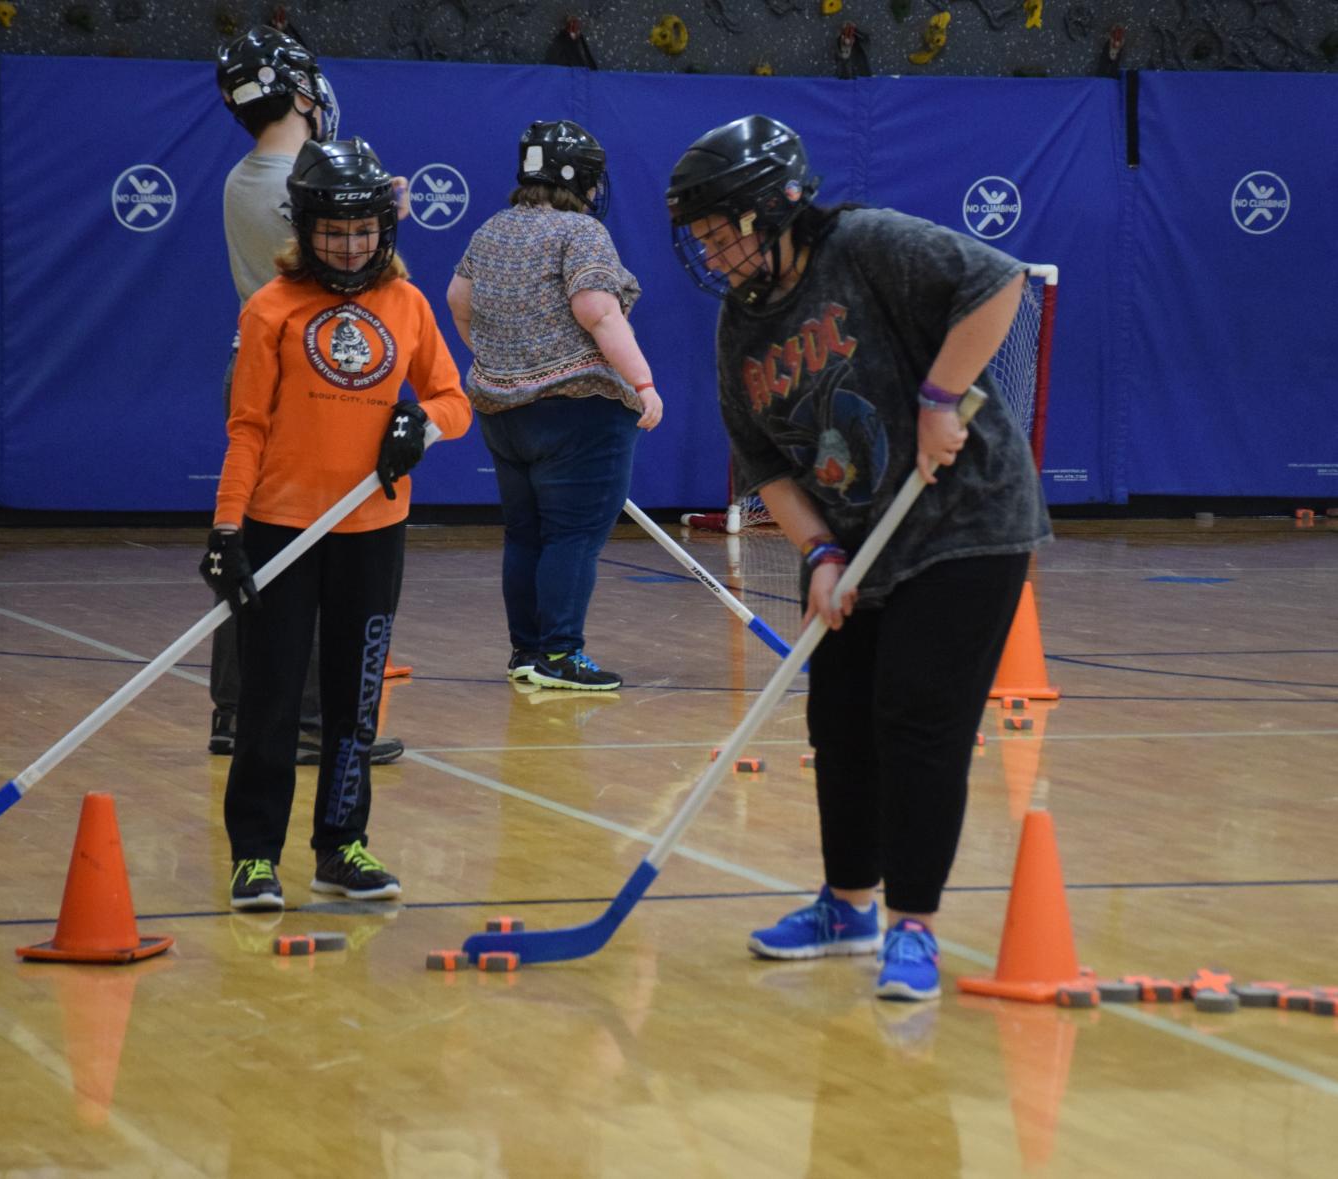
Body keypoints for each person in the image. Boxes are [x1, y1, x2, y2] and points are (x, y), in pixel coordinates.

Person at [664, 114, 1050, 1001]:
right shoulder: (740, 323)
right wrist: (821, 552)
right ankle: (847, 906)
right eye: (701, 237)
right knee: (840, 721)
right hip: (854, 536)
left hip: (964, 520)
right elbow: (765, 460)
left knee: (920, 720)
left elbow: (997, 282)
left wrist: (940, 397)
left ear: (773, 208)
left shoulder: (866, 244)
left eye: (722, 231)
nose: (711, 252)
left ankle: (912, 924)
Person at [200, 136, 471, 910]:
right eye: (333, 232)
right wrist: (226, 531)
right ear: (306, 227)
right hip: (279, 526)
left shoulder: (409, 305)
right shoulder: (271, 311)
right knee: (271, 698)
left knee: (354, 699)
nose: (349, 247)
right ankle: (254, 853)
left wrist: (422, 426)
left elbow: (453, 399)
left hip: (371, 530)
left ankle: (340, 845)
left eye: (363, 232)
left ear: (383, 230)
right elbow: (246, 426)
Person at [212, 24, 406, 766]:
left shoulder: (243, 178)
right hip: (311, 373)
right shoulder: (300, 186)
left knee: (256, 542)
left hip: (256, 363)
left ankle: (235, 708)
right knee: (330, 545)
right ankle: (310, 716)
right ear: (300, 90)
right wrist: (382, 224)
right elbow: (344, 276)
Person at [446, 120, 662, 692]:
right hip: (580, 412)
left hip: (502, 413)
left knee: (525, 535)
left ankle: (527, 651)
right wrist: (642, 382)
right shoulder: (581, 232)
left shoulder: (490, 229)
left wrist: (499, 359)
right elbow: (599, 311)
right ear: (581, 178)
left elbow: (457, 301)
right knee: (572, 536)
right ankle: (561, 655)